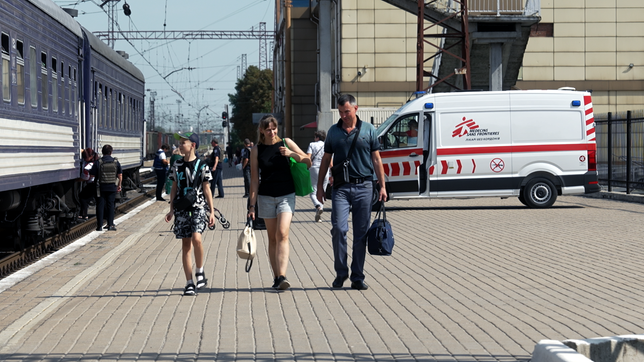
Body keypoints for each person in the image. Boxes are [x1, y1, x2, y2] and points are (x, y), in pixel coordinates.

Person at [316, 94, 387, 291]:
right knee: (339, 229)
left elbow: (377, 160)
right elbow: (325, 160)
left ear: (356, 109)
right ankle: (340, 273)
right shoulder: (333, 132)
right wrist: (320, 188)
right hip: (340, 188)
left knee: (361, 234)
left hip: (364, 186)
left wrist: (382, 186)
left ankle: (357, 276)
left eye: (346, 111)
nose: (344, 115)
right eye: (340, 112)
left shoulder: (368, 130)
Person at [247, 115, 311, 290]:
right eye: (268, 129)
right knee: (272, 238)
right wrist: (252, 206)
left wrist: (292, 154)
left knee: (282, 233)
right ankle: (276, 277)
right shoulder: (256, 150)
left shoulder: (286, 142)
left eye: (274, 128)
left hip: (286, 195)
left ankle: (282, 275)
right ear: (261, 130)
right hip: (266, 197)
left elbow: (308, 161)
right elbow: (254, 180)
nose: (272, 132)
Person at [165, 132, 215, 296]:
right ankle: (189, 283)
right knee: (186, 245)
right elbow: (173, 188)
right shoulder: (177, 165)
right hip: (181, 209)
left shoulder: (202, 165)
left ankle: (199, 271)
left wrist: (212, 211)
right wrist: (171, 209)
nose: (180, 145)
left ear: (193, 145)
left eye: (183, 143)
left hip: (199, 207)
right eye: (179, 143)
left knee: (197, 239)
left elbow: (207, 189)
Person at [89, 144, 123, 232]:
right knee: (110, 205)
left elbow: (92, 174)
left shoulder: (98, 162)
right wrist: (119, 185)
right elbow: (120, 175)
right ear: (111, 152)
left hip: (100, 187)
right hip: (112, 186)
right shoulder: (115, 162)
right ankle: (110, 224)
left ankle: (99, 226)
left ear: (102, 152)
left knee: (100, 206)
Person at [306, 130, 329, 222]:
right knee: (322, 191)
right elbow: (330, 160)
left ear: (317, 137)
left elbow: (308, 157)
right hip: (326, 169)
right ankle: (319, 210)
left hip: (314, 169)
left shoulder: (312, 144)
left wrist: (308, 166)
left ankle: (318, 207)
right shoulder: (327, 145)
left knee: (313, 191)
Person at [79, 148, 99, 220]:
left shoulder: (88, 166)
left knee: (83, 198)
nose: (84, 159)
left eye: (85, 157)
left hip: (92, 184)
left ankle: (84, 215)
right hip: (98, 184)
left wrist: (77, 180)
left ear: (90, 157)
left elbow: (85, 177)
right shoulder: (96, 162)